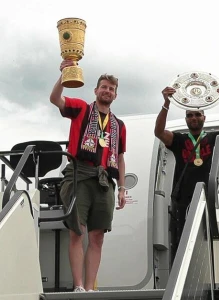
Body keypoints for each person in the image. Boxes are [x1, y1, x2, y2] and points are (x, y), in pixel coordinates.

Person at [50, 59, 126, 292]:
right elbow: (55, 99)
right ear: (96, 90)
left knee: (98, 236)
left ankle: (91, 288)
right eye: (104, 87)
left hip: (104, 180)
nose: (107, 91)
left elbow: (120, 157)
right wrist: (64, 74)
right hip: (79, 174)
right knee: (77, 231)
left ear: (115, 95)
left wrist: (122, 188)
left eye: (111, 89)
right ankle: (79, 286)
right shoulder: (82, 109)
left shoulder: (119, 124)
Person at [154, 86, 219, 262]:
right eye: (189, 115)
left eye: (197, 115)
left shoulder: (215, 138)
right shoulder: (179, 139)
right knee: (182, 239)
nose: (193, 118)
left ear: (204, 117)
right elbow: (158, 132)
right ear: (186, 119)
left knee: (207, 237)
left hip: (208, 196)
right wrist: (166, 104)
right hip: (184, 198)